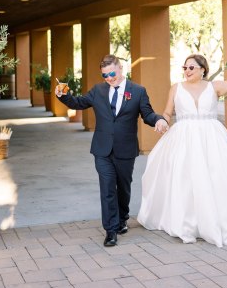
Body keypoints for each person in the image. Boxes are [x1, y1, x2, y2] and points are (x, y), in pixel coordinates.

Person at [137, 52, 227, 247]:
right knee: (185, 179)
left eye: (191, 67)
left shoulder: (214, 87)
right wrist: (162, 122)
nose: (187, 71)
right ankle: (188, 222)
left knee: (216, 176)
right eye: (184, 68)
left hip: (211, 138)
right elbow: (168, 112)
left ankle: (217, 220)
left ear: (203, 69)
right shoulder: (176, 88)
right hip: (183, 138)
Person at [55, 54, 168, 247]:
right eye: (105, 75)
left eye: (112, 73)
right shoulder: (98, 90)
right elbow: (79, 103)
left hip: (126, 148)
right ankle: (111, 230)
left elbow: (147, 113)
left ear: (121, 69)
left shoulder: (138, 91)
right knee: (107, 187)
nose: (109, 78)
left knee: (123, 188)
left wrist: (158, 119)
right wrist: (63, 95)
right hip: (102, 149)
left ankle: (123, 217)